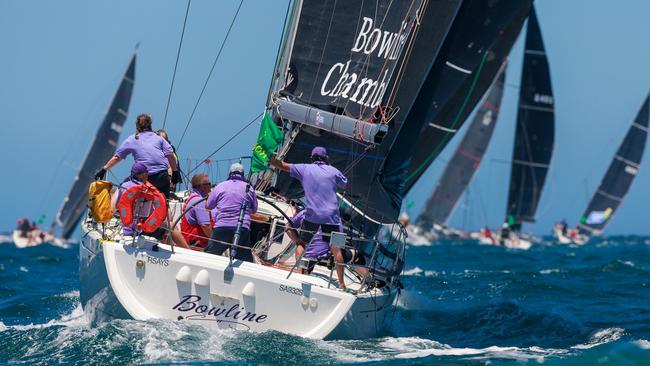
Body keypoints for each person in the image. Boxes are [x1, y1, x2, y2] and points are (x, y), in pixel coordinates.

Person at [269, 146, 347, 248]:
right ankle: (336, 259)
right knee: (338, 248)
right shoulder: (333, 171)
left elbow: (283, 165)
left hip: (312, 215)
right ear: (326, 158)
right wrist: (330, 167)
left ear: (312, 158)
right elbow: (345, 185)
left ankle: (299, 255)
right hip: (332, 217)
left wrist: (269, 159)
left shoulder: (305, 168)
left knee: (302, 244)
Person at [96, 114, 182, 199]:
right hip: (162, 177)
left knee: (122, 188)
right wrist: (175, 172)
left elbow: (117, 157)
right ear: (150, 125)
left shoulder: (133, 139)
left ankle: (117, 209)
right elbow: (170, 155)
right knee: (165, 204)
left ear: (137, 126)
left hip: (144, 178)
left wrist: (104, 169)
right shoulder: (159, 138)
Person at [112, 162, 189, 248]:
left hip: (127, 228)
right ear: (142, 175)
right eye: (146, 174)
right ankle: (187, 251)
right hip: (143, 228)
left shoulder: (124, 186)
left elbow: (119, 205)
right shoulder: (147, 190)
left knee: (164, 227)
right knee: (170, 225)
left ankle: (167, 246)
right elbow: (156, 211)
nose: (147, 176)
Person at [204, 163, 259, 261]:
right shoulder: (249, 188)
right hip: (242, 228)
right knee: (244, 261)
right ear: (242, 174)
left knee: (209, 257)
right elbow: (254, 210)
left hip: (222, 227)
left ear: (230, 173)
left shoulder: (220, 186)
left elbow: (208, 206)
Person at [286, 209, 349, 289]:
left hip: (304, 260)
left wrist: (297, 241)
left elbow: (287, 227)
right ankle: (341, 284)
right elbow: (338, 247)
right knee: (352, 254)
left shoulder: (305, 213)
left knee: (301, 245)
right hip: (323, 260)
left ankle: (299, 272)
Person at [180, 174, 214, 248]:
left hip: (190, 241)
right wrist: (215, 241)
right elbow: (205, 226)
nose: (211, 186)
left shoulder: (191, 198)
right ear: (202, 186)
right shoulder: (200, 202)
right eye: (209, 184)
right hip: (198, 245)